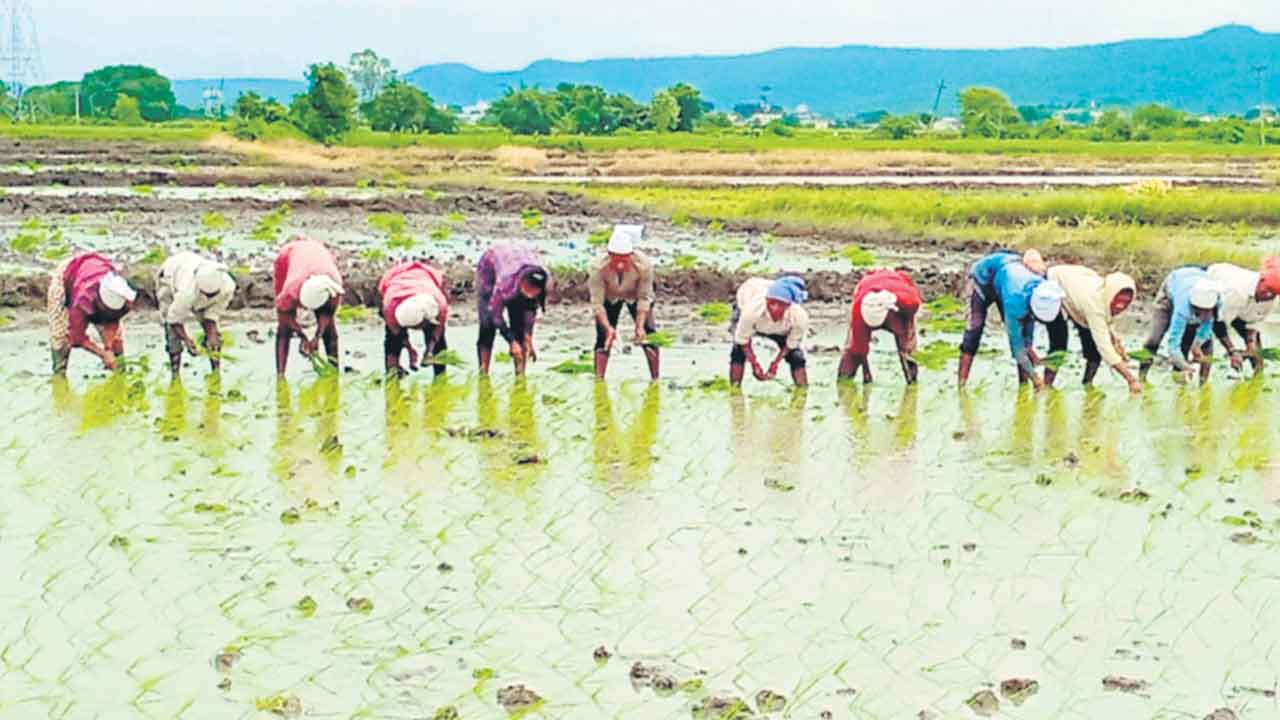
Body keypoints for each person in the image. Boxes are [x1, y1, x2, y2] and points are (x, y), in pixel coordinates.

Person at [957, 249, 1064, 389]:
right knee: (974, 329)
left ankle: (1023, 385)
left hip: (1007, 277)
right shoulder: (1015, 301)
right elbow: (1017, 348)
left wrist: (1030, 349)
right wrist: (1037, 379)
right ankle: (961, 386)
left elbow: (1026, 341)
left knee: (1027, 340)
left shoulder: (1041, 287)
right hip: (983, 279)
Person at [1044, 265, 1141, 393]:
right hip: (1056, 283)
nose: (1120, 306)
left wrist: (1116, 342)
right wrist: (1131, 380)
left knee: (1093, 352)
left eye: (1126, 302)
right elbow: (1105, 348)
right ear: (1111, 294)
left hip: (1080, 288)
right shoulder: (1095, 305)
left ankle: (1087, 384)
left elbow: (1107, 322)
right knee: (1059, 345)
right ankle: (1045, 386)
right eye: (1118, 301)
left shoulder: (1106, 298)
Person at [589, 224, 659, 380]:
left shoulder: (644, 266)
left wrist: (639, 326)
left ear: (631, 255)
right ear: (609, 255)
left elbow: (644, 297)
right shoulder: (597, 268)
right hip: (610, 295)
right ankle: (599, 378)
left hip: (635, 294)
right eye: (616, 260)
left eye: (624, 260)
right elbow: (597, 303)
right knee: (603, 336)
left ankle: (655, 378)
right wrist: (608, 328)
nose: (620, 265)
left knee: (648, 333)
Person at [47, 252, 137, 374]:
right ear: (99, 303)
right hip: (67, 275)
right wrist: (102, 354)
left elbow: (113, 321)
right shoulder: (82, 301)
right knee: (60, 336)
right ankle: (59, 372)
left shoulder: (122, 293)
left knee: (117, 340)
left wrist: (109, 348)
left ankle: (120, 371)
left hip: (94, 267)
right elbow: (77, 337)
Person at [156, 251, 237, 375]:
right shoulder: (186, 292)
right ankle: (175, 374)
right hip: (169, 276)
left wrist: (211, 335)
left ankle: (216, 373)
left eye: (212, 296)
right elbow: (174, 320)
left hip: (191, 268)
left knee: (215, 338)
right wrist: (188, 341)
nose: (208, 299)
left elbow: (212, 316)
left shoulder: (227, 287)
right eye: (206, 295)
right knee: (172, 333)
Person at [837, 268, 922, 384]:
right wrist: (866, 374)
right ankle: (844, 380)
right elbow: (859, 347)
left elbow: (914, 308)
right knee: (852, 351)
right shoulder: (860, 310)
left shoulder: (908, 302)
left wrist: (906, 348)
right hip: (867, 286)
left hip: (897, 294)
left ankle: (912, 381)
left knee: (908, 350)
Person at [1139, 266, 1222, 384]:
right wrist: (1186, 366)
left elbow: (1206, 328)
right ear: (1194, 307)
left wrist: (1197, 345)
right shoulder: (1183, 308)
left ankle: (1202, 385)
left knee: (1203, 344)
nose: (1203, 316)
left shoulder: (1217, 302)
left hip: (1195, 279)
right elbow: (1173, 344)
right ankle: (1141, 379)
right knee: (1154, 339)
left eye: (1207, 312)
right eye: (1199, 312)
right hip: (1171, 291)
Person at [475, 244, 550, 375]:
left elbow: (531, 310)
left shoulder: (545, 282)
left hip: (521, 259)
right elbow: (495, 315)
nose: (531, 293)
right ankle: (483, 374)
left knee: (519, 325)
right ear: (522, 282)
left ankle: (520, 376)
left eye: (535, 290)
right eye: (529, 288)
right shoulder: (505, 281)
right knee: (487, 324)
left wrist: (528, 338)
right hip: (490, 267)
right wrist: (511, 341)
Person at [273, 237, 344, 376]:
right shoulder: (291, 289)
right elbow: (284, 315)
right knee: (283, 329)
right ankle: (280, 375)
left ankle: (334, 371)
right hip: (290, 256)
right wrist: (303, 336)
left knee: (330, 331)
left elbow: (328, 314)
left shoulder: (333, 286)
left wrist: (317, 336)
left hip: (318, 252)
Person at [729, 276, 810, 387]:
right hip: (749, 295)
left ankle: (802, 388)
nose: (775, 308)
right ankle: (735, 387)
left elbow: (791, 344)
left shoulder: (798, 318)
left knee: (796, 357)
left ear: (788, 305)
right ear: (766, 301)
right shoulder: (751, 311)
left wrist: (775, 365)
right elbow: (743, 339)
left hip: (781, 328)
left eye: (780, 305)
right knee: (738, 350)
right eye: (772, 303)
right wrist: (755, 365)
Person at [1207, 257, 1280, 377]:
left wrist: (1250, 344)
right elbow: (1219, 323)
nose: (1268, 295)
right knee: (1205, 339)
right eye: (1267, 290)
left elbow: (1255, 322)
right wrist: (1232, 351)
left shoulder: (1271, 299)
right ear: (1261, 281)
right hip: (1217, 291)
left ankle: (1258, 377)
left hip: (1242, 309)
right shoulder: (1235, 291)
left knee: (1256, 349)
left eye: (1273, 294)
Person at [378, 259, 450, 377]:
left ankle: (440, 376)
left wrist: (429, 351)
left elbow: (438, 331)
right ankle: (392, 374)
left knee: (439, 344)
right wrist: (411, 350)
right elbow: (396, 332)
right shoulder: (390, 308)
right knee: (392, 341)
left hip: (426, 278)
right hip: (394, 279)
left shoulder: (439, 305)